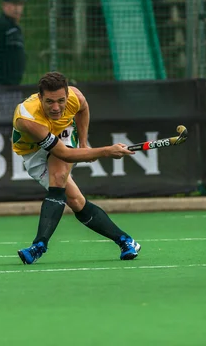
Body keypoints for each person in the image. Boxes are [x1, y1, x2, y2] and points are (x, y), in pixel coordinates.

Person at [13, 71, 141, 264]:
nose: (56, 108)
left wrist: (83, 143)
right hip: (33, 150)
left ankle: (39, 246)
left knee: (58, 180)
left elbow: (83, 109)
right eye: (49, 102)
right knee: (76, 201)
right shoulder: (27, 119)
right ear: (40, 98)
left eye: (61, 101)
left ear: (67, 95)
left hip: (63, 135)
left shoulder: (76, 97)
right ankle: (126, 240)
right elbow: (63, 153)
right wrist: (106, 151)